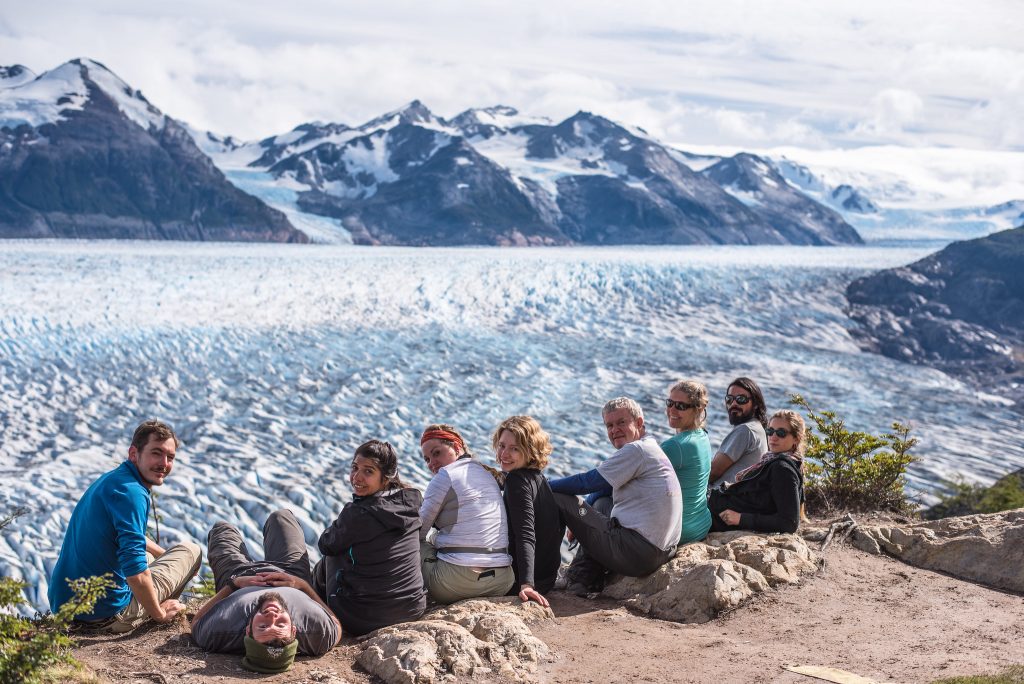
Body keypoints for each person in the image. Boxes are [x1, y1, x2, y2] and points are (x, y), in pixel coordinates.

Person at [49, 420, 202, 633]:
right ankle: (151, 614)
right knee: (191, 551)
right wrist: (159, 614)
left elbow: (131, 536)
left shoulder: (114, 481)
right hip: (107, 616)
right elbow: (135, 571)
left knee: (150, 558)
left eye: (170, 457)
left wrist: (163, 554)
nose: (164, 463)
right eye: (156, 453)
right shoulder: (133, 493)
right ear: (134, 454)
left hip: (67, 609)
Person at [549, 397, 682, 596]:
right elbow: (603, 489)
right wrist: (585, 513)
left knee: (560, 497)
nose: (614, 430)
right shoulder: (650, 447)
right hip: (660, 551)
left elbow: (587, 482)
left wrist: (541, 485)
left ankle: (548, 573)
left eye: (621, 422)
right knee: (603, 503)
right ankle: (582, 580)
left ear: (639, 423)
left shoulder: (636, 450)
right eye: (609, 425)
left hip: (639, 553)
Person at [192, 509, 341, 675]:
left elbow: (197, 621)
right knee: (281, 517)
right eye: (280, 624)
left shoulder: (221, 630)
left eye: (263, 626)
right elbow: (336, 625)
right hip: (290, 573)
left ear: (248, 630)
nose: (272, 616)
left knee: (222, 529)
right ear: (294, 630)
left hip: (238, 574)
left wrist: (233, 584)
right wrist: (303, 585)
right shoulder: (316, 633)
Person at [315, 440, 426, 636]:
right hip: (412, 608)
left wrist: (341, 524)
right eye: (355, 468)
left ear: (385, 478)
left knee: (334, 553)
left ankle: (311, 604)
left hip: (365, 619)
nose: (357, 477)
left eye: (368, 471)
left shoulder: (358, 514)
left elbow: (326, 544)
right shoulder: (411, 501)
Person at [419, 423, 514, 604]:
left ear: (456, 447)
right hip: (502, 580)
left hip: (454, 584)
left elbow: (418, 532)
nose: (432, 463)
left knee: (409, 543)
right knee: (436, 538)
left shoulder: (445, 476)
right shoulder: (486, 473)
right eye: (427, 459)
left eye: (436, 453)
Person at [493, 415, 565, 607]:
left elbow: (525, 534)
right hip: (546, 577)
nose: (504, 454)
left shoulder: (516, 482)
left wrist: (526, 584)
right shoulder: (538, 478)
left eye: (514, 448)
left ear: (530, 450)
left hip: (523, 581)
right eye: (502, 446)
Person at [708, 410, 806, 534]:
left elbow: (789, 523)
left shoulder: (783, 469)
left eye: (781, 433)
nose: (773, 437)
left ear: (796, 439)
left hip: (718, 519)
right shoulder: (773, 460)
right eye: (770, 431)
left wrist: (740, 519)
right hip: (715, 508)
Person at [661, 380, 713, 544]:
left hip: (681, 531)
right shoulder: (702, 436)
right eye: (670, 403)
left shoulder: (675, 446)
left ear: (699, 409)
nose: (672, 410)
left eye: (681, 406)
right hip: (701, 524)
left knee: (603, 504)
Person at [708, 377, 769, 489]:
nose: (734, 404)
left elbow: (713, 472)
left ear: (755, 404)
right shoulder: (757, 428)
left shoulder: (746, 430)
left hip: (722, 500)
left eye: (741, 399)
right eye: (729, 399)